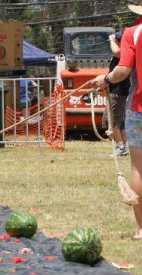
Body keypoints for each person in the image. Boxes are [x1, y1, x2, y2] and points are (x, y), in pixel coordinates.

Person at [91, 2, 142, 240]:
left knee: (138, 168)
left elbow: (122, 70)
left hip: (139, 107)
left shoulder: (133, 33)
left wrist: (106, 79)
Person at [105, 32, 131, 157]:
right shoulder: (118, 56)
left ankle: (120, 147)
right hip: (117, 91)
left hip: (118, 92)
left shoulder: (123, 53)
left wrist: (112, 40)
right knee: (119, 121)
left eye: (114, 42)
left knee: (112, 120)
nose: (110, 46)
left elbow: (116, 52)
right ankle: (123, 147)